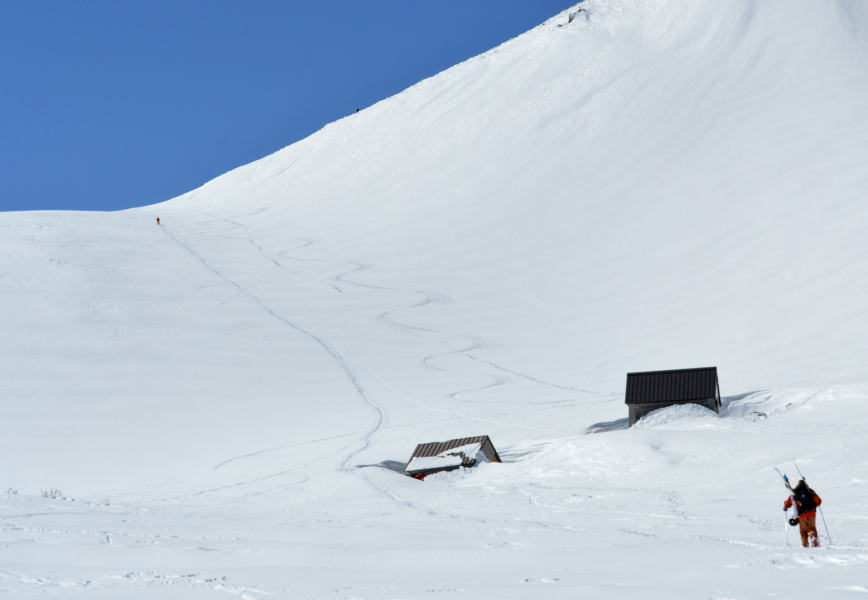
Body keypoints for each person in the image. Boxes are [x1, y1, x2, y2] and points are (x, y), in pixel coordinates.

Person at [784, 479, 822, 547]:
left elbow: (789, 501)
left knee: (803, 531)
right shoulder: (810, 491)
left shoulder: (794, 492)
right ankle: (814, 538)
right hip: (812, 513)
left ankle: (805, 546)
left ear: (798, 484)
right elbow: (819, 501)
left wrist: (786, 506)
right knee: (812, 528)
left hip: (802, 514)